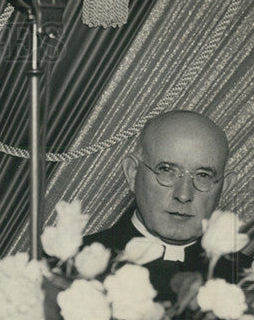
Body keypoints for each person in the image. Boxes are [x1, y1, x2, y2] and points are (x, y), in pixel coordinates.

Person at [83, 110, 244, 297]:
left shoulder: (251, 287)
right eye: (166, 170)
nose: (183, 195)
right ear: (132, 173)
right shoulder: (66, 270)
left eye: (203, 175)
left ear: (224, 186)